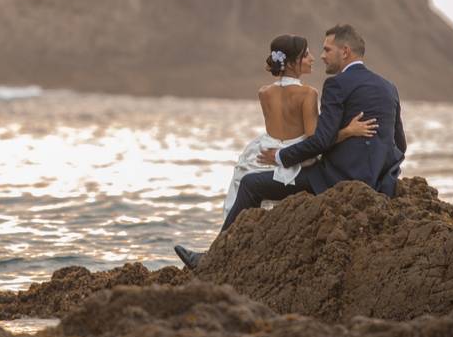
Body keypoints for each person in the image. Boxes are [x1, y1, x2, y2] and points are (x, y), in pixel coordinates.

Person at [174, 24, 406, 270]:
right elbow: (399, 143)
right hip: (381, 183)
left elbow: (321, 140)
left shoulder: (336, 84)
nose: (322, 55)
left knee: (252, 184)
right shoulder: (389, 87)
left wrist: (282, 156)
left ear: (345, 51)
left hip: (336, 179)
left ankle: (210, 260)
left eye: (327, 49)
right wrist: (383, 173)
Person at [219, 34, 376, 224]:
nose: (312, 59)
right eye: (306, 55)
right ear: (293, 63)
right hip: (296, 160)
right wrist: (348, 131)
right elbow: (315, 139)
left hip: (261, 155)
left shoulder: (264, 92)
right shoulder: (308, 94)